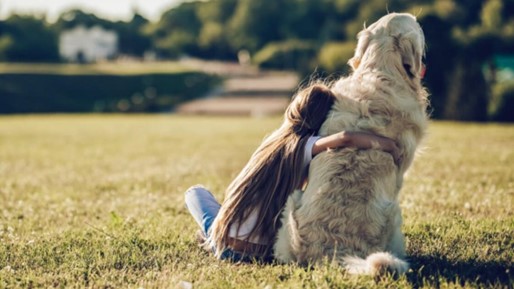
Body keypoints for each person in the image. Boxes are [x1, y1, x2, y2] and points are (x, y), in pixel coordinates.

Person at [184, 83, 401, 262]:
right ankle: (212, 234)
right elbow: (345, 137)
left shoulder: (274, 142)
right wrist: (389, 145)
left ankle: (210, 236)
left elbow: (344, 137)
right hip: (264, 252)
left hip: (226, 245)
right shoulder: (306, 146)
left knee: (195, 193)